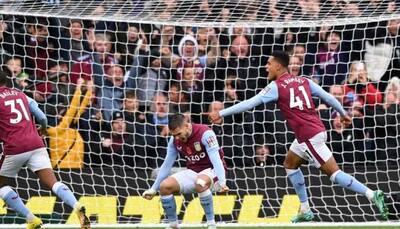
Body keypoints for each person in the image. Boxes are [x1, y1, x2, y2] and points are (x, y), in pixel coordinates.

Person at [208, 50, 388, 222]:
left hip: (309, 136)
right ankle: (305, 209)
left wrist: (222, 113)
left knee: (334, 174)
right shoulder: (304, 81)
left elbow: (249, 104)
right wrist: (343, 114)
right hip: (311, 133)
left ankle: (372, 194)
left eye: (269, 64)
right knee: (290, 163)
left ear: (279, 67)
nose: (266, 67)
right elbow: (329, 98)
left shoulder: (276, 86)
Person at [0, 71, 90, 229]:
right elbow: (42, 117)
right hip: (36, 143)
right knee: (53, 183)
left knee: (1, 186)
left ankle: (31, 218)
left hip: (15, 146)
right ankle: (76, 205)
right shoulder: (21, 95)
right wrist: (41, 128)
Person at [142, 114, 229, 229]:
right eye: (174, 135)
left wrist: (222, 182)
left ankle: (211, 224)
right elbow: (167, 164)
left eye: (178, 134)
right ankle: (173, 225)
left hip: (212, 170)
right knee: (165, 186)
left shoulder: (205, 133)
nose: (177, 137)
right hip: (193, 171)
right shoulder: (174, 140)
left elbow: (216, 159)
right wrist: (154, 188)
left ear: (187, 126)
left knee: (200, 182)